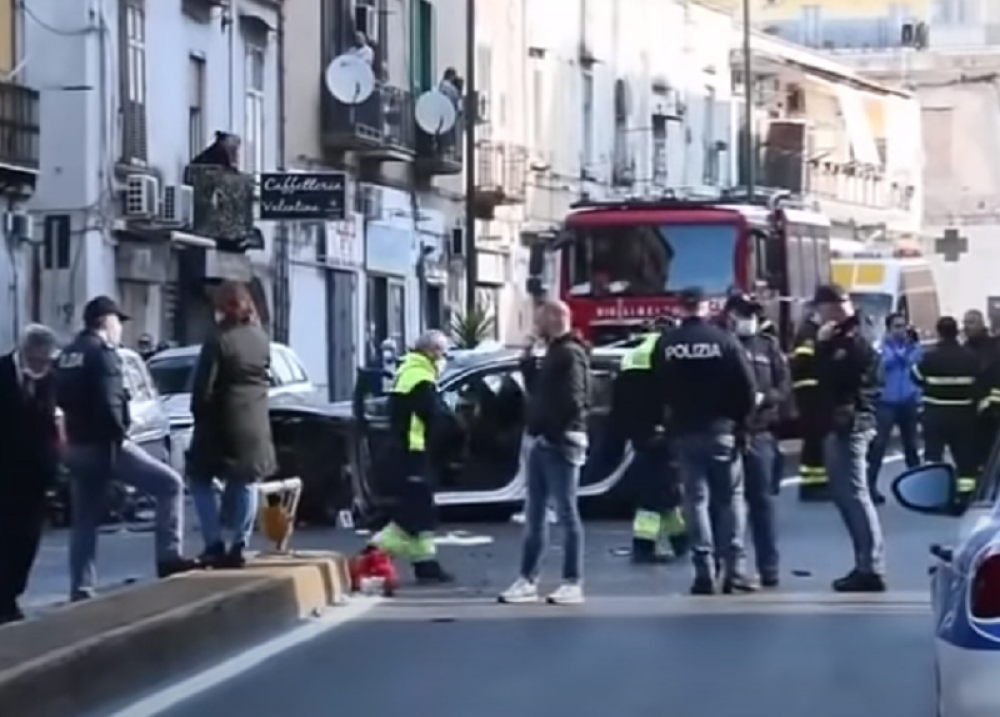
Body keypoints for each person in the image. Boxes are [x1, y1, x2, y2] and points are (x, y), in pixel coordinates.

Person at [56, 296, 197, 601]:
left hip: (77, 447)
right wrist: (120, 436)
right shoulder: (104, 354)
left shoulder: (67, 355)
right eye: (118, 321)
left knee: (84, 520)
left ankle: (80, 589)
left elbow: (59, 402)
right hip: (106, 445)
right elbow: (111, 403)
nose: (120, 328)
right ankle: (169, 558)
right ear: (106, 321)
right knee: (169, 484)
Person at [652, 287, 757, 595]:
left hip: (684, 432)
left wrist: (667, 422)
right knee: (730, 500)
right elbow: (747, 387)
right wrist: (742, 424)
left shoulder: (667, 343)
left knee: (695, 502)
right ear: (707, 307)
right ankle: (734, 569)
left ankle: (703, 572)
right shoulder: (724, 341)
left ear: (679, 309)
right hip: (721, 430)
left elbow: (656, 386)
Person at [500, 300, 590, 605]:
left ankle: (572, 582)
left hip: (559, 442)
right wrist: (526, 360)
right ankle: (528, 579)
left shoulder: (570, 353)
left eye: (539, 320)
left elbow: (575, 400)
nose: (535, 326)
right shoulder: (554, 352)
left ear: (554, 318)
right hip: (543, 440)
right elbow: (540, 391)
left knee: (566, 512)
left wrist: (554, 434)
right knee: (535, 513)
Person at [186, 281, 277, 568]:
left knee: (199, 479)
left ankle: (214, 543)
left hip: (222, 424)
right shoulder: (261, 339)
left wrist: (199, 416)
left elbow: (203, 389)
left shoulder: (218, 340)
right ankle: (240, 543)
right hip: (256, 425)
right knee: (247, 480)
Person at [811, 284, 885, 593]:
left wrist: (823, 347)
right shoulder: (847, 333)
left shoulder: (853, 338)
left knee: (855, 496)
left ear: (834, 307)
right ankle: (864, 563)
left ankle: (871, 567)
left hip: (851, 424)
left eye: (822, 308)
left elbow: (835, 377)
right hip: (842, 423)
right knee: (846, 496)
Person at [367, 329, 454, 583]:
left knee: (422, 511)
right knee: (415, 513)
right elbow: (437, 418)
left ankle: (426, 563)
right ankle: (375, 551)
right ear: (431, 352)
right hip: (413, 452)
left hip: (406, 450)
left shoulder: (409, 371)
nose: (444, 358)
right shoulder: (421, 378)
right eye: (442, 352)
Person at [725, 294, 789, 588]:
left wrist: (768, 398)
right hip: (727, 432)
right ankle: (729, 568)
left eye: (752, 314)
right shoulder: (722, 344)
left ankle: (769, 567)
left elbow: (784, 385)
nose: (748, 320)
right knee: (725, 504)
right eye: (743, 314)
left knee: (761, 503)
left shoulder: (769, 346)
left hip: (761, 433)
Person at [0, 325, 61, 624]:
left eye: (45, 362)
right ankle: (4, 601)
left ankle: (12, 592)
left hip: (35, 473)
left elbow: (50, 422)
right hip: (4, 470)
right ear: (23, 353)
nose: (41, 367)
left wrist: (54, 463)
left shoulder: (49, 378)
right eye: (36, 361)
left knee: (28, 539)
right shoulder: (2, 373)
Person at [618, 326, 688, 564]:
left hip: (641, 436)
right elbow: (673, 396)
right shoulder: (667, 351)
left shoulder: (633, 354)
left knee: (661, 495)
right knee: (660, 494)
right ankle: (647, 546)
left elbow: (621, 399)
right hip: (663, 435)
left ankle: (680, 542)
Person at [913, 316, 981, 500]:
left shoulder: (930, 357)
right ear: (956, 331)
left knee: (933, 454)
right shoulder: (970, 357)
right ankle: (966, 494)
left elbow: (916, 377)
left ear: (939, 333)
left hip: (935, 414)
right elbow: (978, 385)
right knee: (965, 457)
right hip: (963, 415)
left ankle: (933, 494)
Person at [866, 313, 922, 503]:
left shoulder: (912, 346)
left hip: (908, 401)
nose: (901, 331)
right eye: (897, 327)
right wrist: (898, 355)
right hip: (886, 403)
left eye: (903, 326)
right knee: (879, 446)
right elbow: (883, 364)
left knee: (911, 446)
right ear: (888, 329)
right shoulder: (881, 347)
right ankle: (870, 488)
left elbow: (916, 361)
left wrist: (910, 348)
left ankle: (918, 488)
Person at [791, 309, 827, 501]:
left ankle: (818, 482)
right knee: (814, 441)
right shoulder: (808, 334)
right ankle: (811, 486)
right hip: (810, 394)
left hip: (813, 394)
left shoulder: (811, 331)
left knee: (817, 441)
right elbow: (803, 362)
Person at [963, 309, 1000, 469]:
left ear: (981, 323)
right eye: (965, 323)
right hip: (970, 415)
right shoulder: (964, 349)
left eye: (971, 322)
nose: (966, 326)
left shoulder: (994, 347)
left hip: (993, 415)